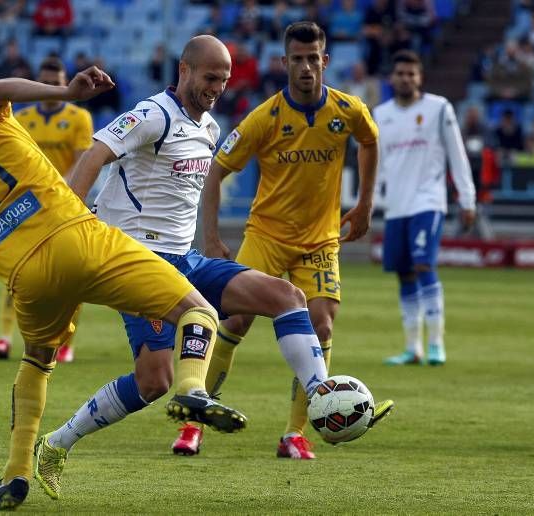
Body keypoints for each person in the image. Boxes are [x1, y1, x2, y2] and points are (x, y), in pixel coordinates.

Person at [0, 56, 246, 509]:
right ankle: (192, 390)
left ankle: (14, 475)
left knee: (36, 362)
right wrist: (66, 94)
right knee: (200, 312)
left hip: (21, 272)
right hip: (72, 235)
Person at [52, 32, 362, 489]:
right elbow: (95, 153)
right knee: (155, 380)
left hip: (186, 259)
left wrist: (210, 239)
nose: (217, 87)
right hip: (137, 261)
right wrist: (71, 222)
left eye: (224, 79)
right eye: (209, 76)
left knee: (287, 296)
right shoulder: (152, 114)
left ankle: (320, 395)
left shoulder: (210, 129)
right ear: (185, 71)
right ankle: (59, 442)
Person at [194, 21, 393, 459]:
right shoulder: (263, 118)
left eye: (313, 58)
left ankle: (294, 433)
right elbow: (215, 171)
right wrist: (211, 239)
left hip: (320, 241)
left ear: (325, 61)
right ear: (285, 63)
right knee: (233, 322)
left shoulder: (348, 110)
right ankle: (195, 422)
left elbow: (370, 141)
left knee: (322, 323)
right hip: (266, 235)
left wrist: (363, 205)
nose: (306, 67)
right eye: (297, 59)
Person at [0, 56, 94, 362]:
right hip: (29, 206)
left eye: (55, 83)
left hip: (66, 203)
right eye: (44, 83)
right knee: (17, 272)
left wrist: (56, 188)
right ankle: (5, 338)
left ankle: (64, 342)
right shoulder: (23, 117)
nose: (49, 88)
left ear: (65, 84)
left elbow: (81, 161)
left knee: (72, 276)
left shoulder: (78, 118)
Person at [373, 50, 476, 366]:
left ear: (420, 78)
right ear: (392, 78)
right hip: (396, 207)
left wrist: (467, 198)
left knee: (423, 266)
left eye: (411, 74)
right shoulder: (381, 114)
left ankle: (436, 345)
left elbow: (457, 154)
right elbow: (377, 164)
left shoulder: (438, 108)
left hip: (428, 201)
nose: (405, 78)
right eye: (400, 73)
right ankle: (413, 348)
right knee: (404, 274)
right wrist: (372, 202)